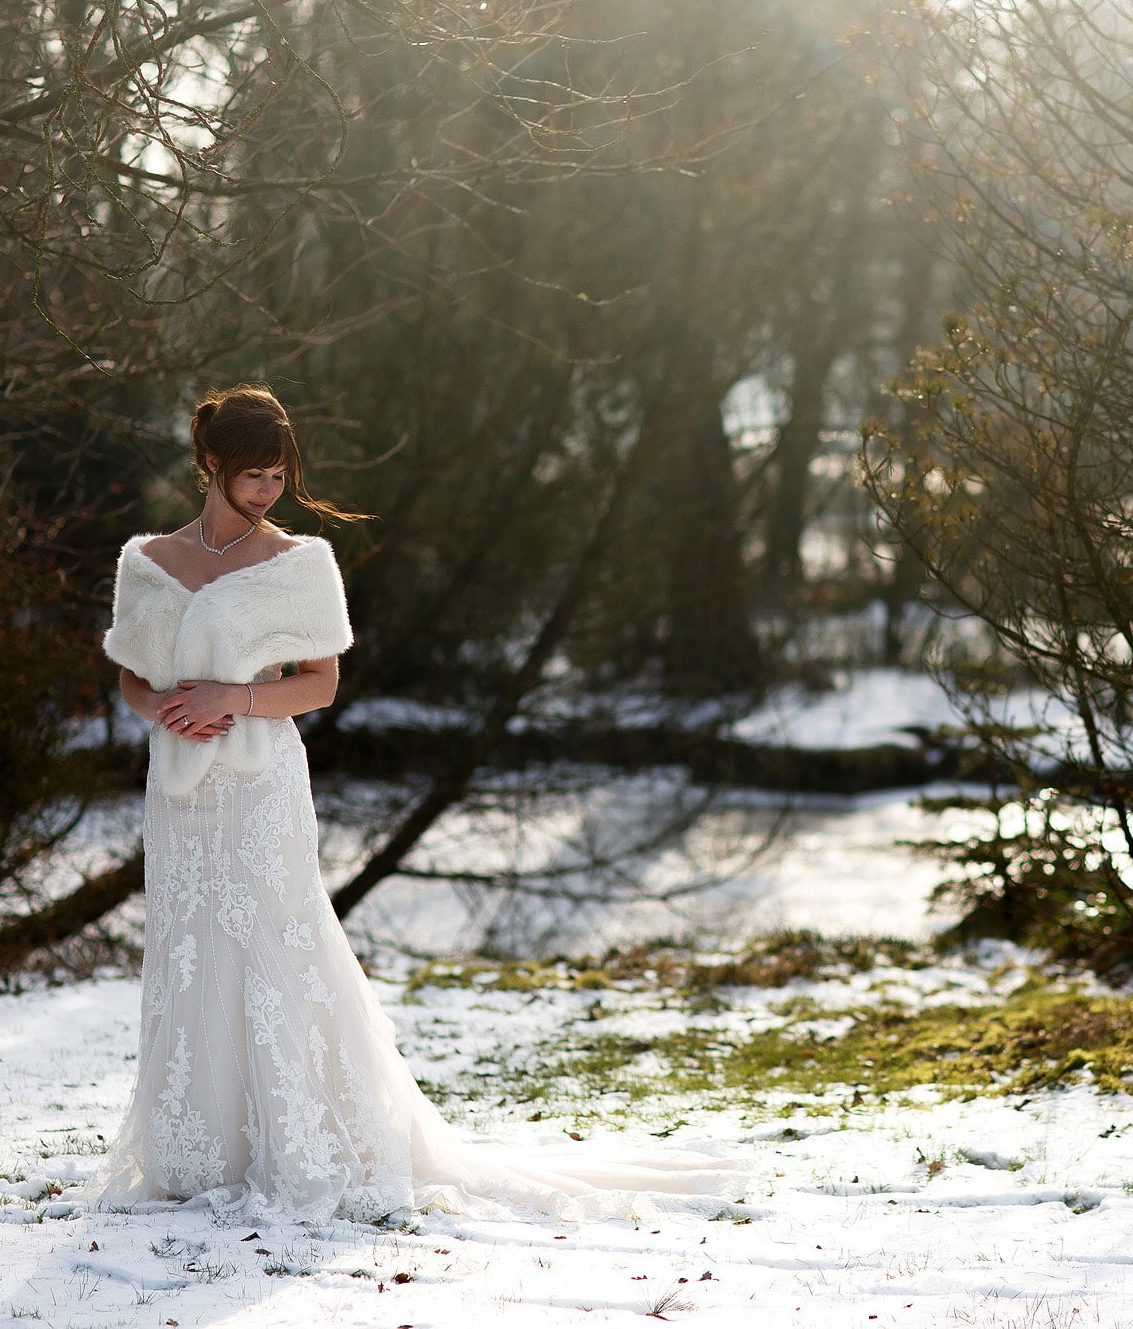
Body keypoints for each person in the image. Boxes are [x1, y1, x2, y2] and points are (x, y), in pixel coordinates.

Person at [95, 384, 744, 1224]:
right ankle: (199, 1148)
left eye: (278, 476)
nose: (267, 492)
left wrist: (230, 696)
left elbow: (322, 683)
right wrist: (167, 710)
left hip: (260, 785)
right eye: (252, 475)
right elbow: (130, 675)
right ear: (210, 464)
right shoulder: (147, 560)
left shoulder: (299, 563)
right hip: (179, 791)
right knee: (190, 939)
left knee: (276, 936)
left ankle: (302, 1137)